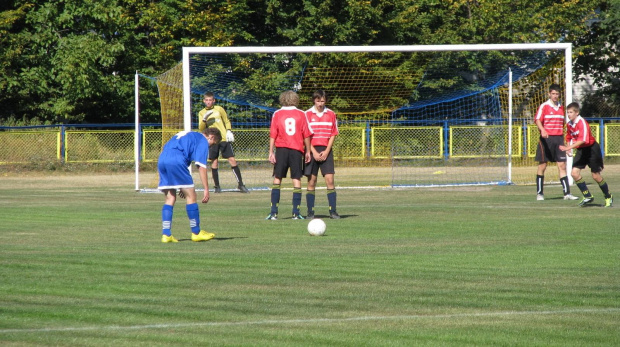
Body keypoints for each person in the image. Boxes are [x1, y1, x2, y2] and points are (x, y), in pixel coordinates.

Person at [158, 128, 222, 243]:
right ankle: (196, 232)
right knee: (191, 197)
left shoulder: (191, 135)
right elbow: (201, 166)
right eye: (213, 143)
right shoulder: (202, 140)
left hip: (162, 159)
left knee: (170, 197)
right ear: (211, 137)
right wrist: (206, 189)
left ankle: (166, 234)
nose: (211, 147)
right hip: (176, 159)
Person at [265, 90, 312, 220]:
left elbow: (273, 134)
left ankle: (273, 213)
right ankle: (296, 213)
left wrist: (271, 152)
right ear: (296, 99)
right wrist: (308, 151)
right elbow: (306, 134)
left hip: (281, 150)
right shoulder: (301, 114)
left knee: (277, 178)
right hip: (296, 150)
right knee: (296, 179)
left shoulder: (277, 113)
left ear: (282, 99)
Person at [559, 102, 613, 207]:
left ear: (577, 113)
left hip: (592, 149)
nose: (569, 114)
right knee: (574, 173)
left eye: (571, 112)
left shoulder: (581, 122)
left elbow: (583, 140)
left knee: (596, 176)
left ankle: (608, 196)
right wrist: (568, 148)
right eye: (568, 112)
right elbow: (569, 137)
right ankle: (587, 196)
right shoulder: (569, 124)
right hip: (581, 150)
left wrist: (569, 147)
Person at [198, 92, 249, 193]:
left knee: (232, 160)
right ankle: (217, 186)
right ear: (204, 101)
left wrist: (229, 130)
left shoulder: (219, 109)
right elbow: (201, 128)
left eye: (210, 100)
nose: (208, 102)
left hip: (223, 139)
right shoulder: (201, 112)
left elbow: (226, 120)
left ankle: (241, 184)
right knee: (214, 162)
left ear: (213, 101)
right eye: (206, 100)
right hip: (212, 140)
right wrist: (204, 119)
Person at [534, 83, 578, 201]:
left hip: (558, 139)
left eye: (557, 94)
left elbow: (564, 126)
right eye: (553, 93)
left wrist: (567, 144)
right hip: (546, 139)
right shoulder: (544, 106)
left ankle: (567, 194)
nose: (555, 96)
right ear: (549, 94)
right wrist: (542, 130)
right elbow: (537, 119)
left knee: (562, 165)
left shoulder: (562, 108)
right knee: (543, 165)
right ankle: (540, 193)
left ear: (559, 95)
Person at [304, 90, 340, 219]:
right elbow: (305, 136)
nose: (320, 103)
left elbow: (333, 134)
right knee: (311, 182)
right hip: (312, 150)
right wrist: (312, 151)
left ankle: (333, 211)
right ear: (314, 100)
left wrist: (326, 151)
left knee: (330, 180)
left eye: (323, 101)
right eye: (318, 100)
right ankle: (310, 212)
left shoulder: (331, 114)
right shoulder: (306, 114)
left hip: (326, 151)